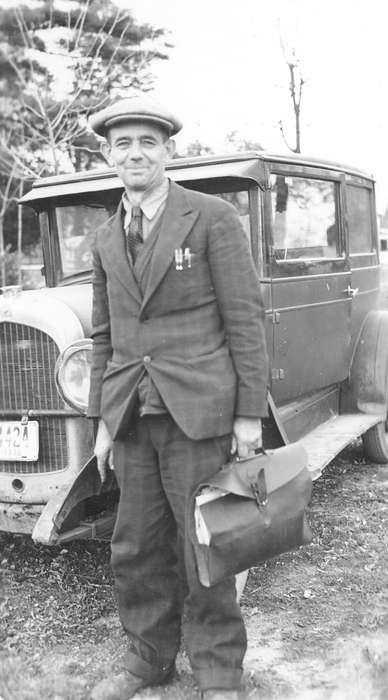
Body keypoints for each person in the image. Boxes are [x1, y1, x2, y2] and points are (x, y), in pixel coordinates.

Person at [87, 97, 269, 700]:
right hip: (133, 418)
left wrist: (247, 413)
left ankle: (218, 673)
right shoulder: (106, 235)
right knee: (134, 547)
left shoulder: (211, 217)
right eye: (122, 144)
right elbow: (106, 338)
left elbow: (244, 320)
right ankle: (148, 661)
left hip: (200, 415)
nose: (134, 153)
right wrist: (102, 423)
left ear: (168, 151)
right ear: (108, 155)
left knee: (206, 546)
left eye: (147, 142)